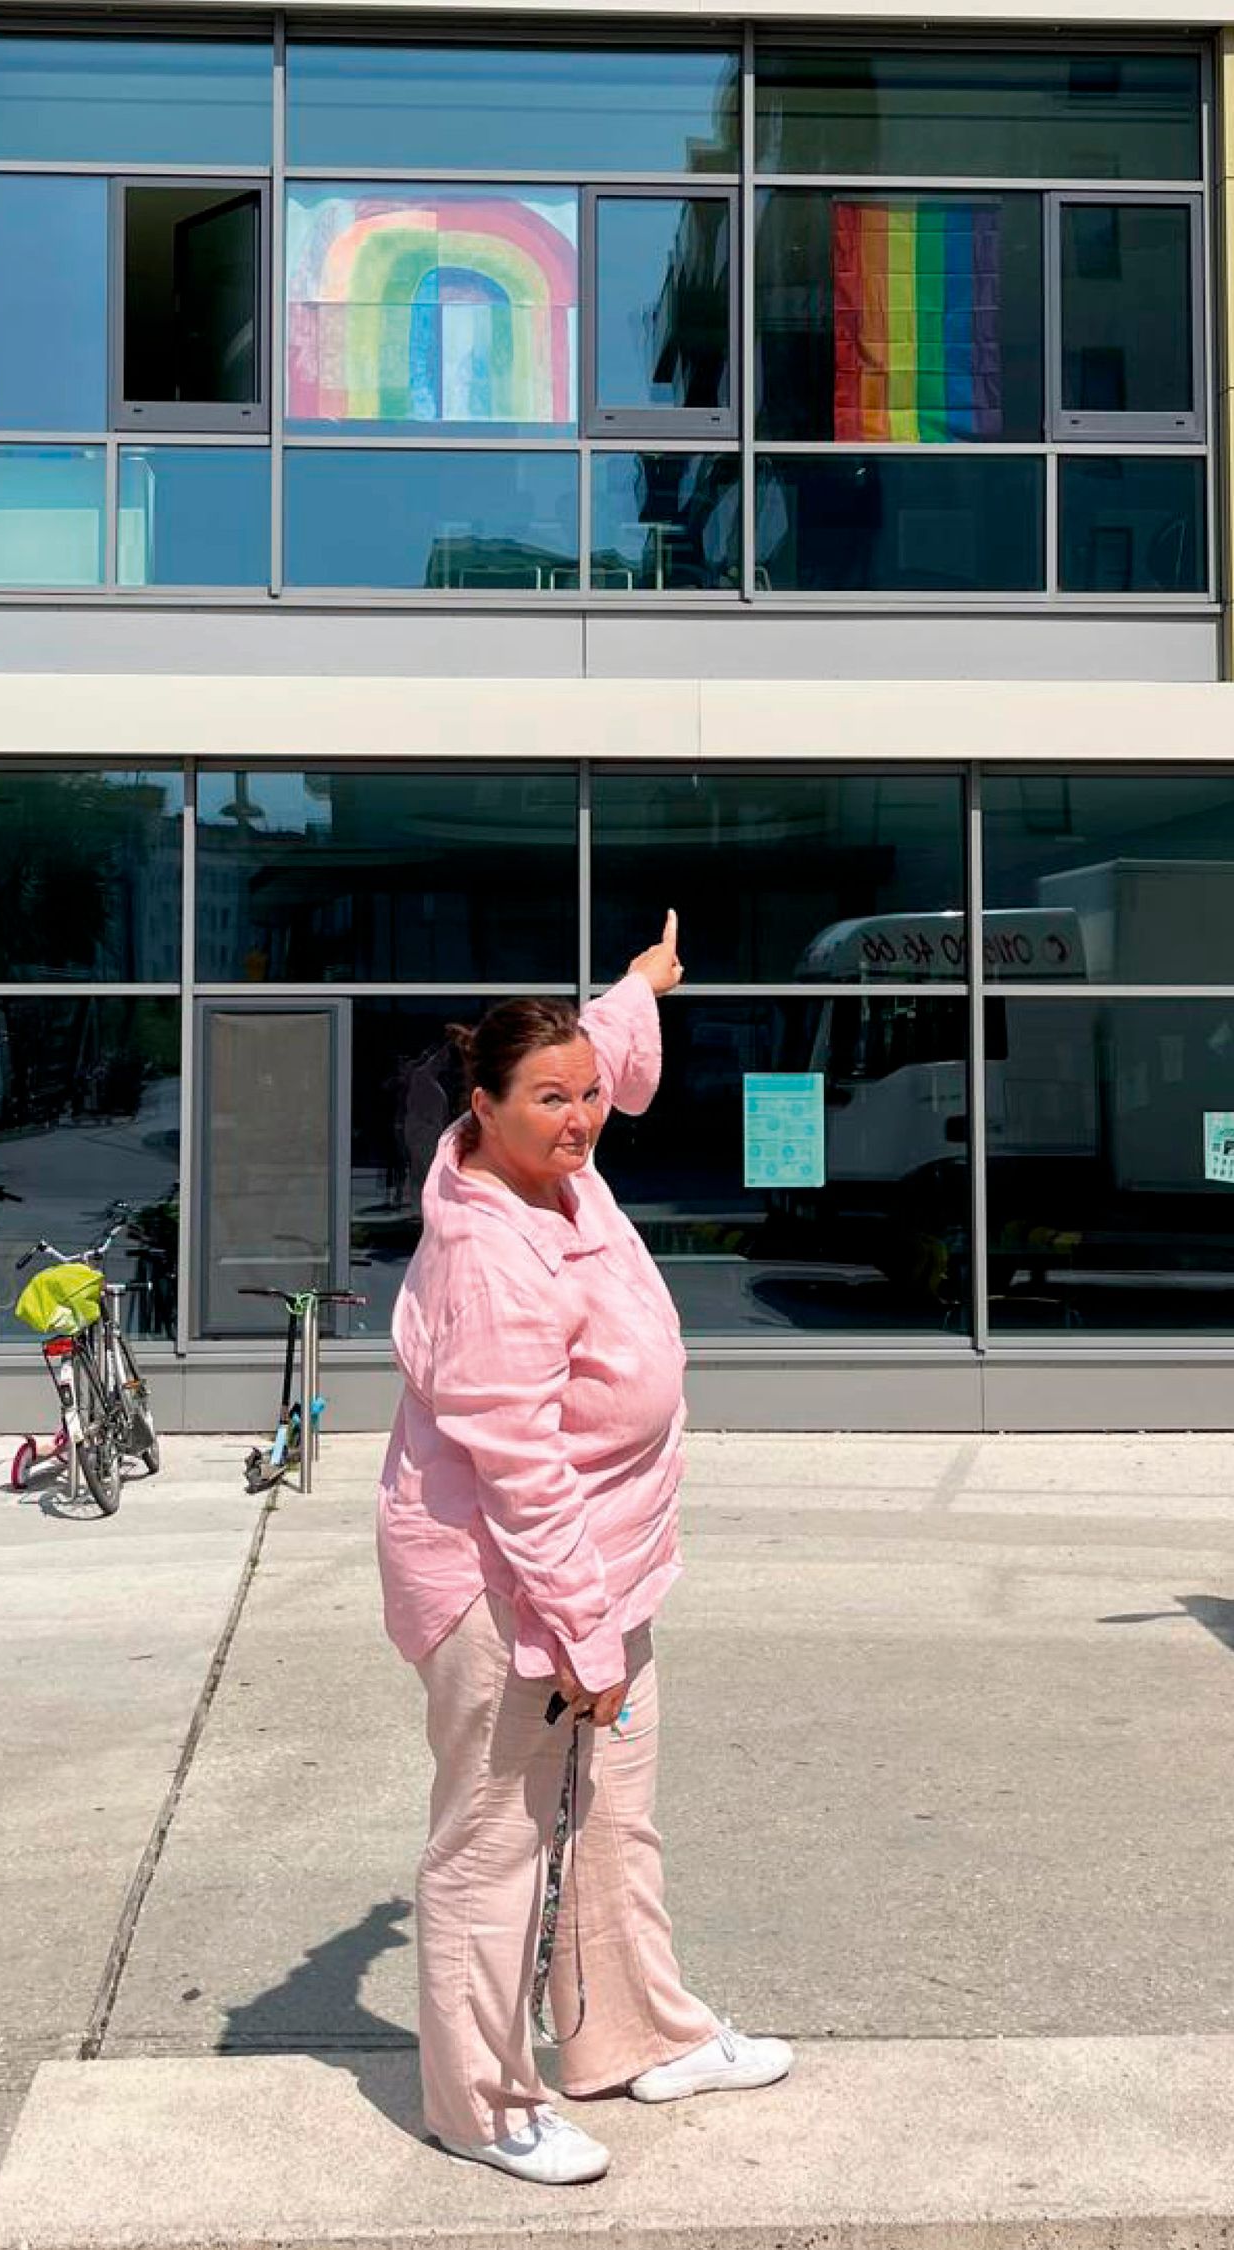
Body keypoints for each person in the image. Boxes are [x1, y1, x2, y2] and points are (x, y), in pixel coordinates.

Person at [376, 912, 791, 2186]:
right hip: (508, 1586)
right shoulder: (488, 1257)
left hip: (604, 1568)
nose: (581, 1117)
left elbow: (606, 1046)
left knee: (614, 1811)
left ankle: (634, 2037)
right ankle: (481, 2105)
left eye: (586, 1098)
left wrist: (641, 984)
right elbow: (519, 1474)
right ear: (480, 1108)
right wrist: (585, 1636)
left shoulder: (561, 1161)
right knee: (494, 1844)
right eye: (548, 1100)